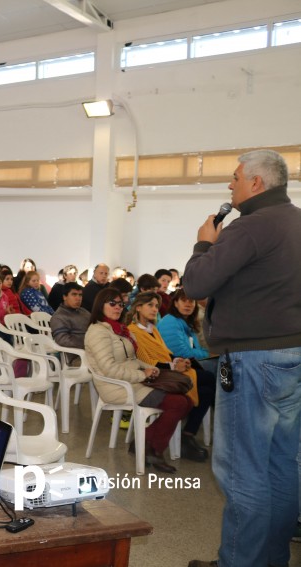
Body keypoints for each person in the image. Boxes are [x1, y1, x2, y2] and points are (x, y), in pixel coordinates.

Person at [184, 150, 301, 567]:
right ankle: (271, 560)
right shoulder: (296, 220)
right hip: (293, 357)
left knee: (243, 470)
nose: (229, 186)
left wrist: (204, 242)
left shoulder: (249, 227)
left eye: (234, 178)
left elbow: (196, 283)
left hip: (253, 361)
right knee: (282, 463)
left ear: (256, 183)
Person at [84, 287, 191, 474]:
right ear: (100, 306)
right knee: (178, 403)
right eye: (112, 304)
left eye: (120, 304)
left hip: (133, 381)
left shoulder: (119, 329)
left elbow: (131, 359)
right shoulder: (97, 332)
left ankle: (145, 440)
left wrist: (150, 368)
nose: (118, 307)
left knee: (186, 400)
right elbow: (109, 369)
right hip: (117, 387)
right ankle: (153, 449)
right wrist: (142, 375)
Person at [127, 291, 213, 462]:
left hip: (167, 369)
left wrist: (179, 360)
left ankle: (187, 434)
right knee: (209, 379)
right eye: (150, 305)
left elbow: (165, 353)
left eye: (156, 306)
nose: (154, 309)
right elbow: (146, 360)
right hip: (155, 374)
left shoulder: (152, 328)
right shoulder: (133, 331)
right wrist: (174, 365)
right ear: (138, 308)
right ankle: (187, 435)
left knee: (207, 389)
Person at [49, 282, 90, 351]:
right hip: (78, 356)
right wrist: (90, 344)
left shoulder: (83, 311)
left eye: (80, 295)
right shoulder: (59, 317)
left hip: (94, 350)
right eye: (74, 294)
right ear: (64, 297)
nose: (78, 298)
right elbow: (63, 341)